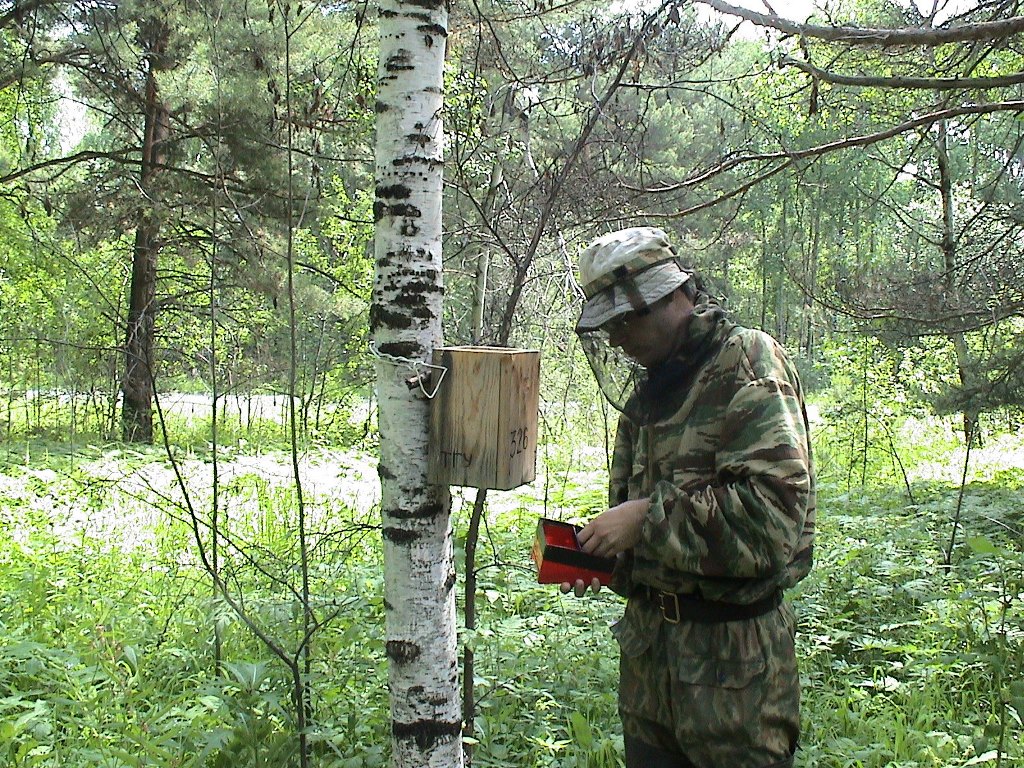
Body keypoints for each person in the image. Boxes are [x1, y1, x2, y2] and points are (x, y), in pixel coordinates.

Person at [563, 226, 816, 768]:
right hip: (650, 668)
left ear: (676, 296)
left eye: (629, 317)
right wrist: (605, 555)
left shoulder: (746, 361)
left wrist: (644, 521)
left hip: (733, 678)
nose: (618, 337)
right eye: (609, 324)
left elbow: (773, 521)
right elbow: (643, 518)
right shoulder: (650, 388)